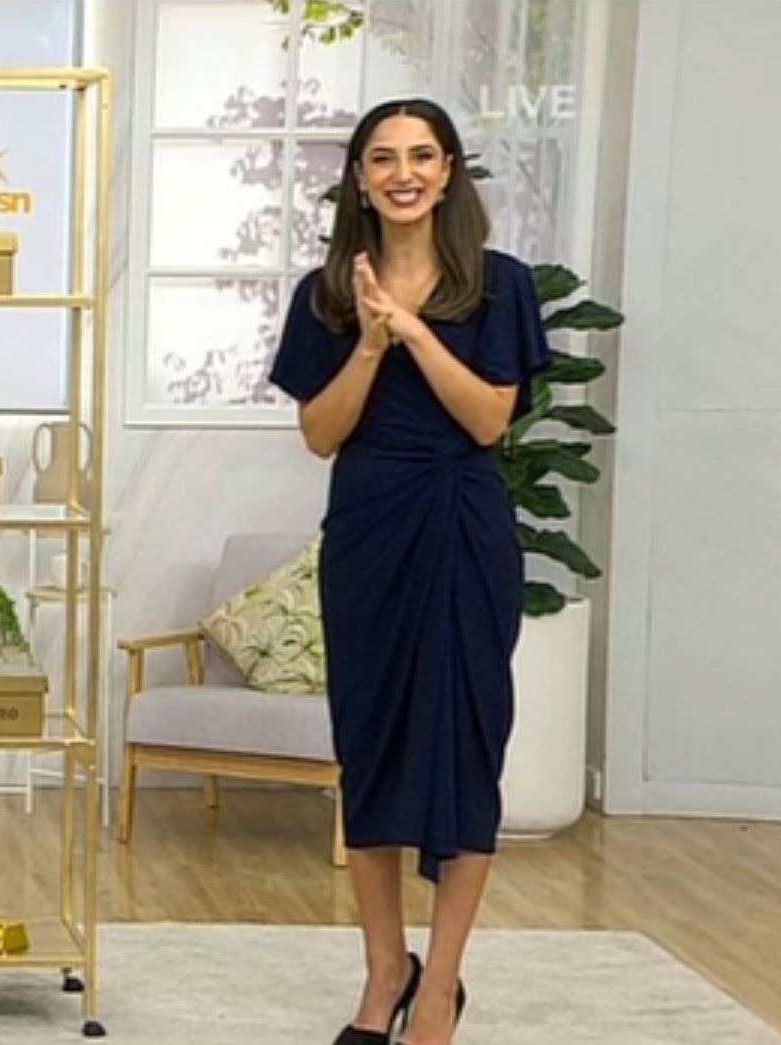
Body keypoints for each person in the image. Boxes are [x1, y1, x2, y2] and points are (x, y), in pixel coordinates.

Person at [267, 98, 550, 1045]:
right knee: (373, 744)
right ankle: (386, 969)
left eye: (422, 156)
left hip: (464, 527)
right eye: (383, 158)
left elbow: (488, 420)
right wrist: (370, 341)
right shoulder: (325, 294)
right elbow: (320, 434)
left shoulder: (501, 286)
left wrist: (415, 331)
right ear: (359, 177)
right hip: (368, 531)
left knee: (466, 746)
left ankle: (440, 989)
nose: (403, 173)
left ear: (449, 171)